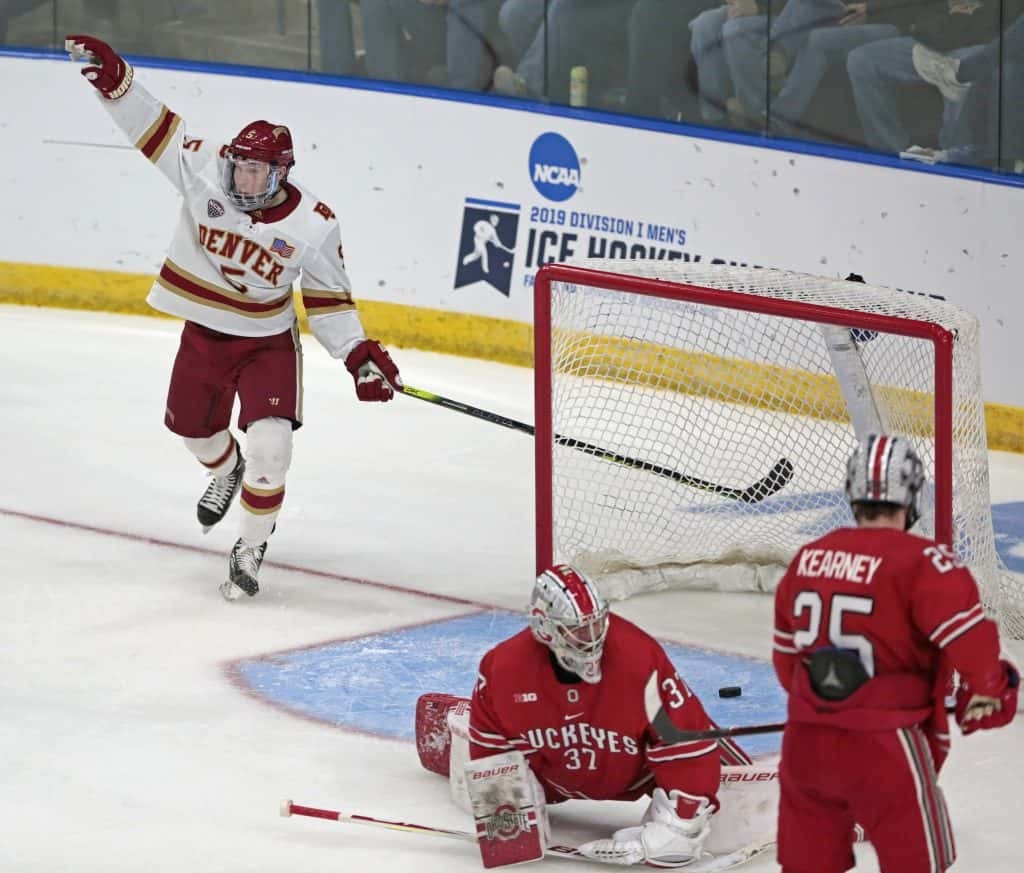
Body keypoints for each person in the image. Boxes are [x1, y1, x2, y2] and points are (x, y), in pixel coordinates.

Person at [64, 34, 403, 600]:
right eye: (239, 167)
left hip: (266, 344)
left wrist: (358, 357)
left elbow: (329, 302)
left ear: (280, 174)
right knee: (194, 433)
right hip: (204, 334)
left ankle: (250, 542)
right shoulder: (202, 167)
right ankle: (225, 471)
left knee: (272, 449)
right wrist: (116, 82)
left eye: (255, 172)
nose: (243, 179)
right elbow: (153, 129)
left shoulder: (314, 225)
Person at [773, 433, 1019, 872]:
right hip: (885, 748)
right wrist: (993, 689)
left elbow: (785, 664)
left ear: (853, 493)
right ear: (913, 494)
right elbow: (975, 651)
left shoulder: (808, 557)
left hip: (804, 743)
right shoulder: (925, 561)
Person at [415, 564, 768, 868]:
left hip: (637, 774)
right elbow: (492, 751)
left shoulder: (639, 659)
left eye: (597, 623)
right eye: (579, 629)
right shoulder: (503, 670)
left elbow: (682, 741)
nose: (593, 637)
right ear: (544, 626)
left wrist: (677, 827)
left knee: (726, 809)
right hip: (549, 775)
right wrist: (508, 819)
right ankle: (456, 722)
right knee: (487, 788)